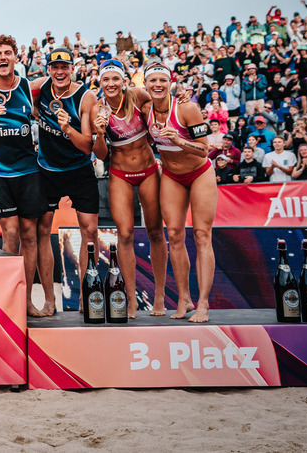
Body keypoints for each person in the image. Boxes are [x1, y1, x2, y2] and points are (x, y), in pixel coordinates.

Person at [0, 35, 50, 315]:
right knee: (11, 234)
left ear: (16, 58)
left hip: (29, 172)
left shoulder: (29, 87)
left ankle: (26, 301)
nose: (3, 57)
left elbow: (62, 84)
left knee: (30, 235)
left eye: (8, 53)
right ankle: (9, 303)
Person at [90, 60, 167, 317]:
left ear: (124, 80)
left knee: (155, 232)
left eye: (115, 78)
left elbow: (162, 110)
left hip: (147, 170)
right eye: (106, 79)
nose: (111, 84)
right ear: (100, 82)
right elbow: (101, 155)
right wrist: (100, 133)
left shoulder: (138, 96)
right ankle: (131, 299)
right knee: (124, 234)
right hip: (120, 173)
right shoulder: (98, 108)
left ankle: (159, 296)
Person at [143, 61, 216, 323]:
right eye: (153, 80)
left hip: (199, 172)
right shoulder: (145, 109)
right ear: (145, 84)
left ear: (171, 83)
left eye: (163, 80)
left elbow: (204, 149)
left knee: (201, 235)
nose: (158, 85)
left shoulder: (187, 108)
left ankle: (203, 303)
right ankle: (184, 298)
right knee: (174, 235)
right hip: (172, 175)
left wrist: (178, 140)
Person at [32, 47, 100, 306]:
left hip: (79, 169)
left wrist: (67, 128)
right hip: (47, 170)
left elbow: (87, 147)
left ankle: (86, 297)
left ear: (73, 68)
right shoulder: (40, 87)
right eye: (55, 67)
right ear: (48, 69)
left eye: (64, 67)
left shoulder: (86, 97)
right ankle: (50, 300)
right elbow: (10, 88)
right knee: (42, 232)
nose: (59, 72)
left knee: (90, 231)